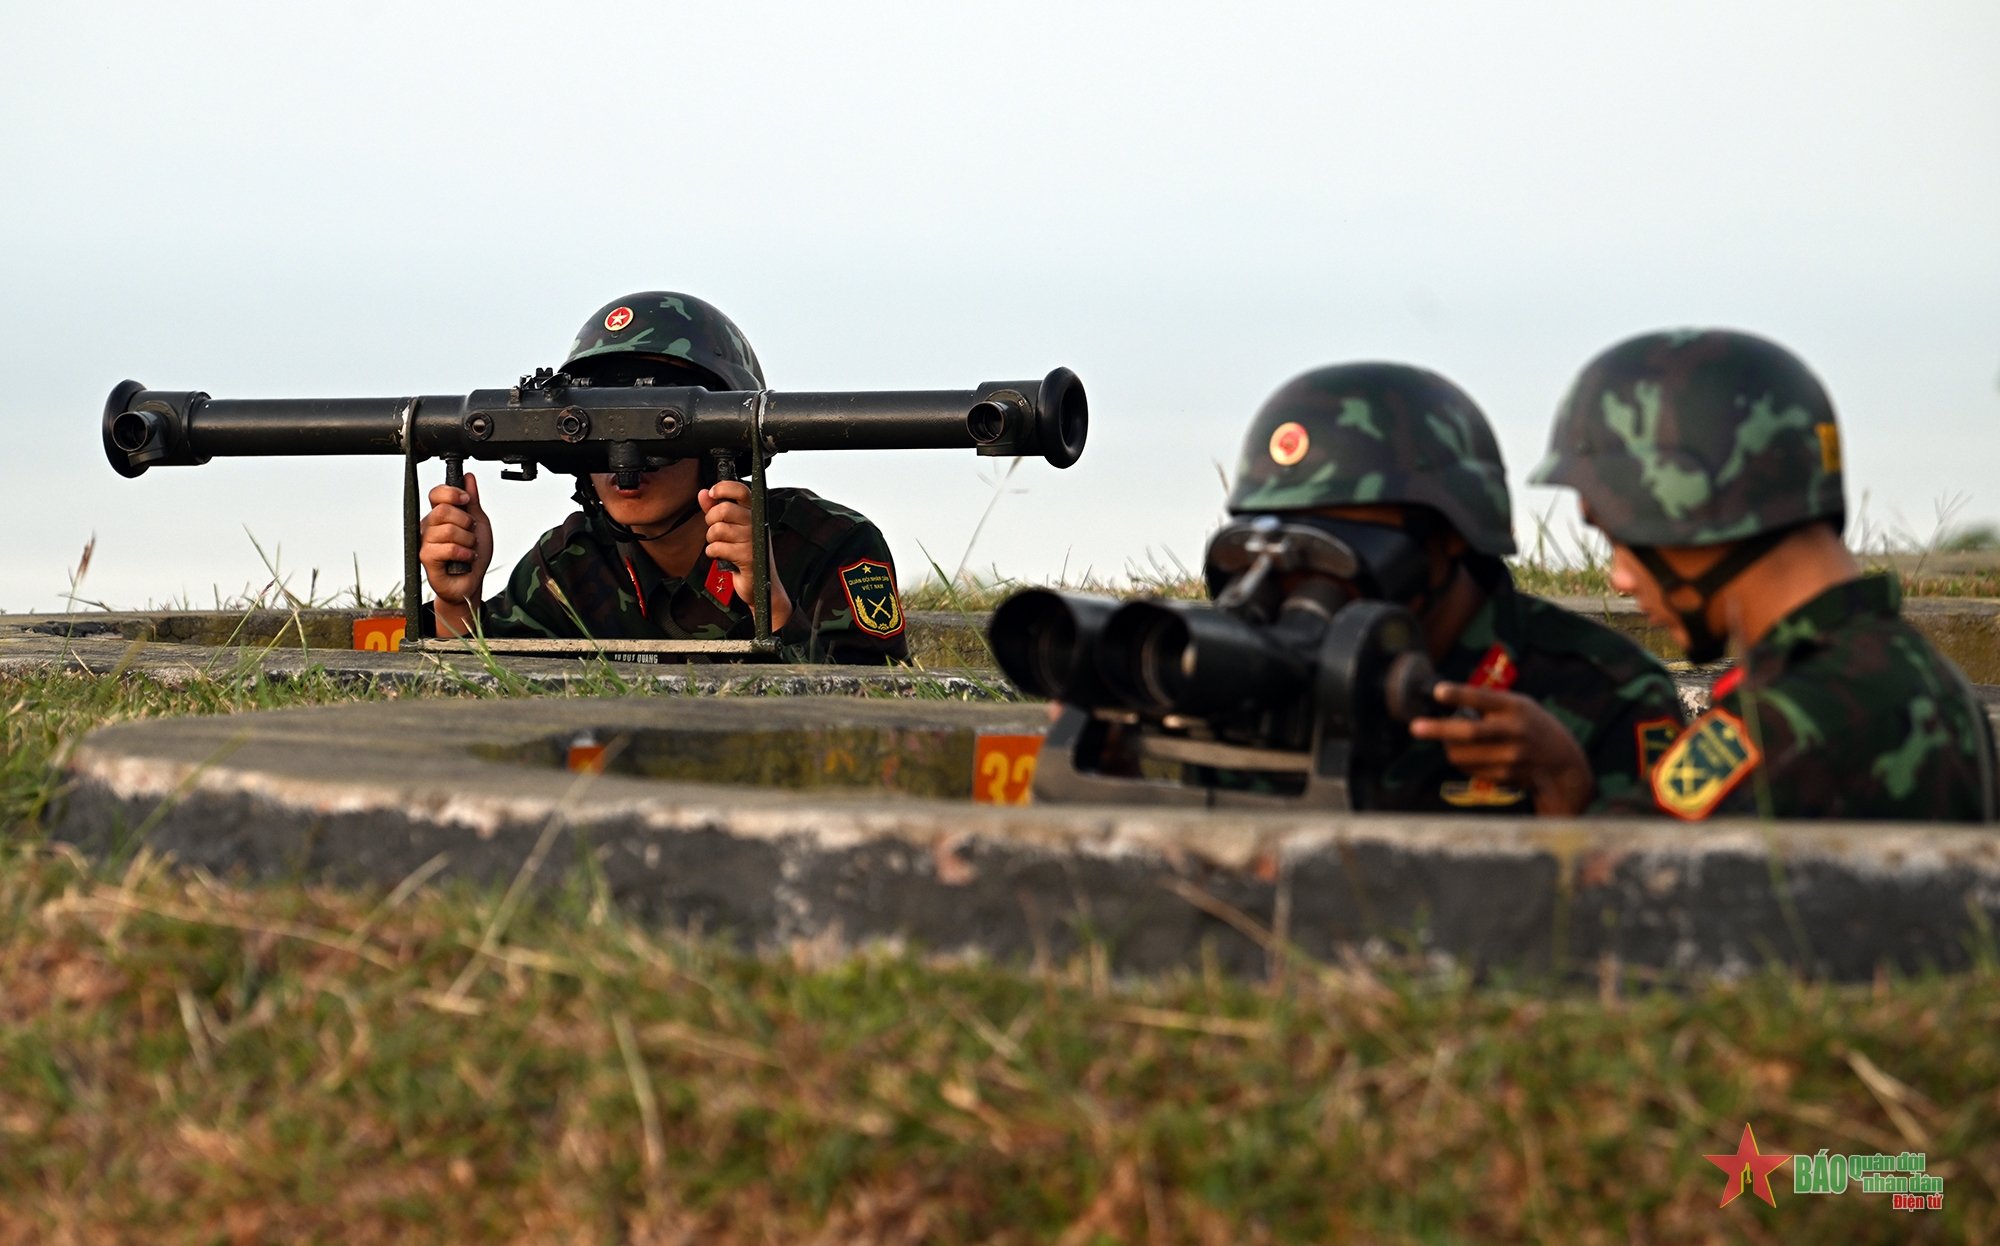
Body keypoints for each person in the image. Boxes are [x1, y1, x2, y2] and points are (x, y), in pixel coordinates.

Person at [1530, 327, 1995, 821]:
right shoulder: (1920, 675)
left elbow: (1602, 886)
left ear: (1689, 504)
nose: (1619, 578)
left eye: (1620, 537)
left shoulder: (1785, 725)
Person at [1224, 362, 1685, 814]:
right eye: (1278, 541)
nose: (1301, 575)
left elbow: (1655, 880)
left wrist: (1560, 782)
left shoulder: (1608, 690)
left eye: (1339, 543)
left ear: (1450, 533)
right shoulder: (1256, 681)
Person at [419, 292, 909, 663]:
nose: (623, 465)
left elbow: (876, 709)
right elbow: (478, 694)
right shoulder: (569, 564)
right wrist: (455, 601)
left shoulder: (827, 545)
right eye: (599, 428)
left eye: (658, 429)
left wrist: (772, 605)